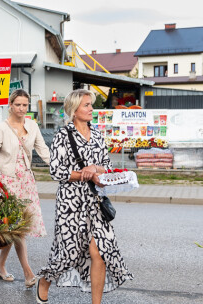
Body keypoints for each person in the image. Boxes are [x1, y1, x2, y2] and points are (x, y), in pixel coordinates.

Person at [36, 89, 133, 304]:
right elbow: (56, 171)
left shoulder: (98, 135)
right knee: (68, 253)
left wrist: (96, 170)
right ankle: (45, 279)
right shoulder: (63, 135)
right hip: (70, 202)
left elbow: (106, 167)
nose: (91, 108)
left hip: (95, 201)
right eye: (86, 105)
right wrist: (83, 174)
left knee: (100, 252)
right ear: (74, 110)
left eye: (91, 104)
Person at [0, 89, 50, 288]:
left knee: (14, 228)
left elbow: (43, 150)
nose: (22, 108)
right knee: (17, 229)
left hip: (27, 182)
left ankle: (0, 267)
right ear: (10, 106)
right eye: (18, 105)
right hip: (8, 183)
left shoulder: (32, 125)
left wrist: (62, 168)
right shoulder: (2, 128)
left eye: (25, 105)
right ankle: (28, 273)